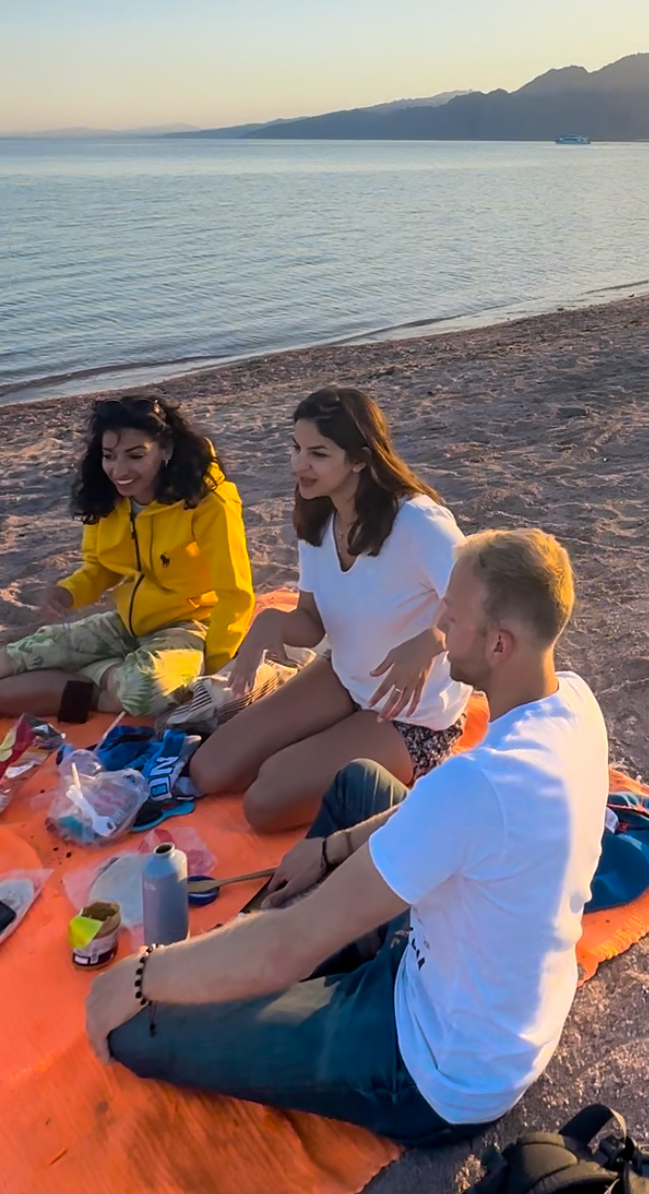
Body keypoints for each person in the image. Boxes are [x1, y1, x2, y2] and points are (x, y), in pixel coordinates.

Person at [87, 529, 609, 1146]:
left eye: (454, 614)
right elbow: (444, 819)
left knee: (145, 1025)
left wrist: (139, 975)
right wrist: (332, 849)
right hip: (488, 988)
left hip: (434, 1064)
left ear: (500, 644)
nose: (438, 622)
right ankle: (262, 959)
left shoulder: (476, 784)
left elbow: (293, 946)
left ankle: (252, 969)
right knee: (362, 782)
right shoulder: (573, 702)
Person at [189, 387, 469, 831]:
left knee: (264, 802)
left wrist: (431, 640)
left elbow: (483, 601)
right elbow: (311, 622)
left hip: (411, 715)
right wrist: (270, 622)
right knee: (210, 769)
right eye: (296, 449)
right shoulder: (319, 519)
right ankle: (320, 741)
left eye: (318, 453)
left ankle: (362, 757)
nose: (300, 465)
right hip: (344, 675)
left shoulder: (418, 522)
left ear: (359, 458)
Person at [0, 396, 253, 718]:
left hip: (189, 625)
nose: (119, 471)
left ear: (166, 450)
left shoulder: (207, 504)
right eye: (109, 456)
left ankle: (96, 683)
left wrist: (214, 665)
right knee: (18, 656)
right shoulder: (108, 497)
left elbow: (235, 593)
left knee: (145, 690)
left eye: (135, 456)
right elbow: (102, 567)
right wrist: (67, 592)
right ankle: (106, 676)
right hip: (126, 623)